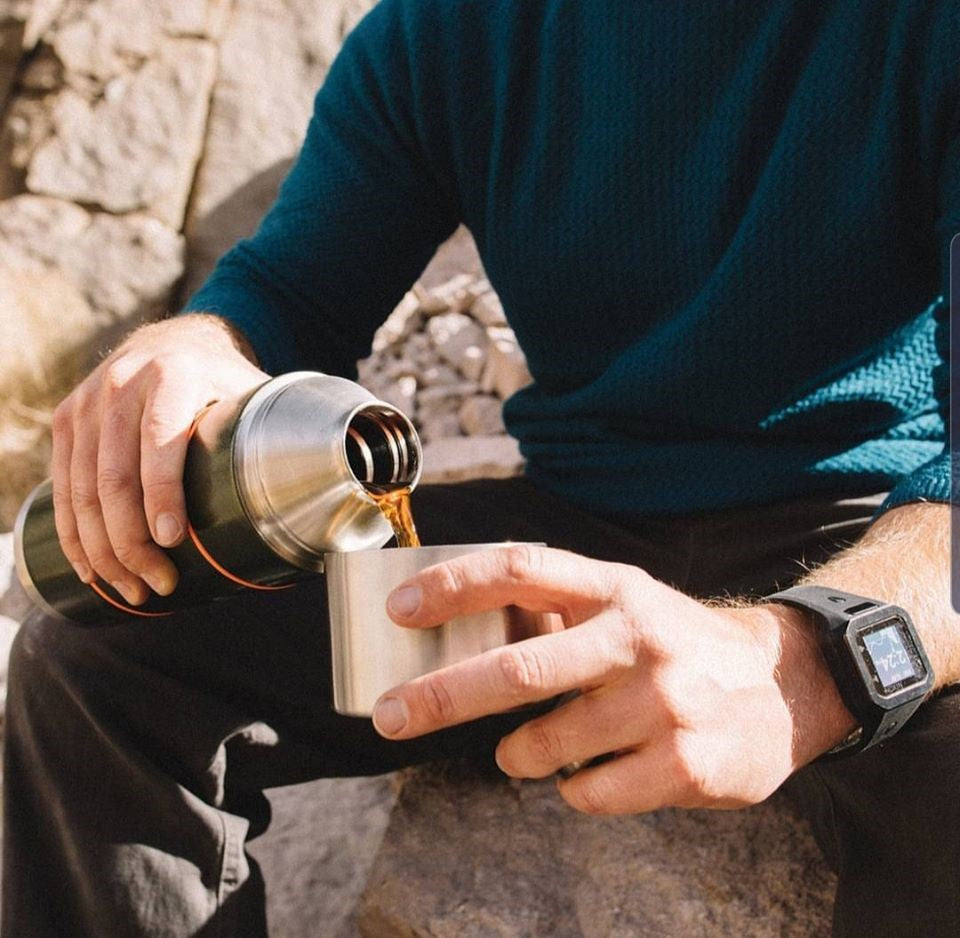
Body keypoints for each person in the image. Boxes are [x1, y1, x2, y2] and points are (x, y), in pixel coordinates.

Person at [3, 1, 957, 935]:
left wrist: (805, 664)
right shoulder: (444, 32)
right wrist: (201, 343)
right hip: (572, 545)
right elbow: (290, 291)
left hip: (864, 539)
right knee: (99, 659)